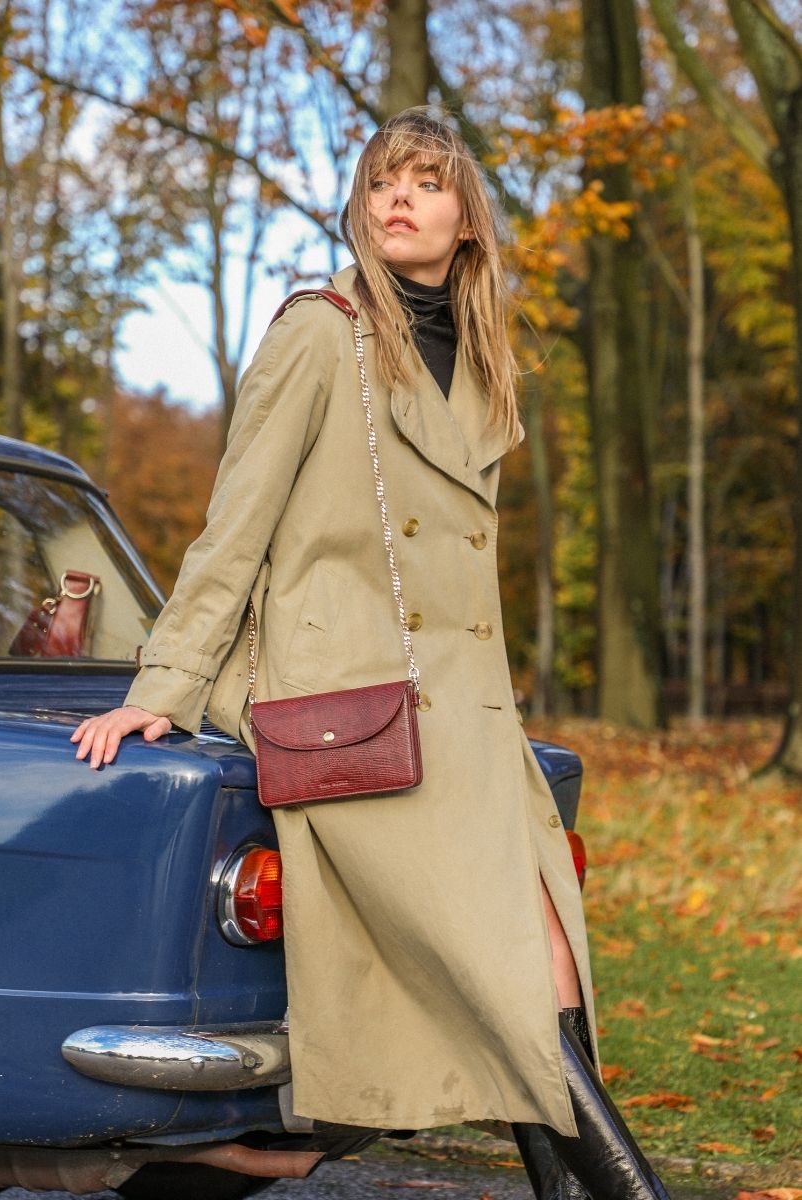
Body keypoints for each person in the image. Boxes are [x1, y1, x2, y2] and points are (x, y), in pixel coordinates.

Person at [72, 108, 670, 1200]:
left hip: (469, 719)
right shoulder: (320, 331)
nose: (401, 197)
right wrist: (159, 687)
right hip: (348, 706)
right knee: (508, 981)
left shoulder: (486, 367)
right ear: (362, 205)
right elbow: (235, 526)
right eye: (384, 181)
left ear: (467, 221)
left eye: (428, 183)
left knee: (547, 965)